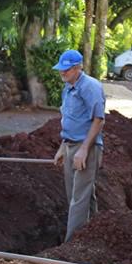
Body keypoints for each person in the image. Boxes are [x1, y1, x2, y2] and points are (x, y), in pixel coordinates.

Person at [51, 49, 106, 241]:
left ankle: (71, 245)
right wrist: (62, 148)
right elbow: (71, 120)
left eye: (66, 69)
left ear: (78, 68)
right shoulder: (68, 88)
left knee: (79, 198)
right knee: (80, 195)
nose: (62, 73)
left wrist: (83, 150)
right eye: (61, 69)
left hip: (87, 147)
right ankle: (93, 234)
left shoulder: (90, 87)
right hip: (70, 145)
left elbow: (98, 120)